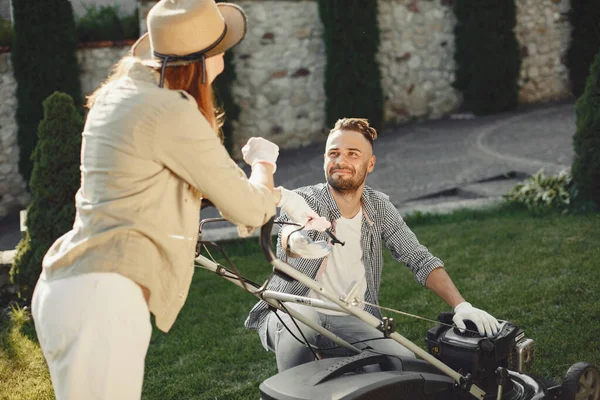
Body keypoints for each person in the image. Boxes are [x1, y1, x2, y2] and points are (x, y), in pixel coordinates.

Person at [30, 1, 326, 399]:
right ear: (203, 60)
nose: (225, 56)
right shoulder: (171, 111)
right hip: (103, 300)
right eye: (220, 47)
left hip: (68, 287)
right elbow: (250, 209)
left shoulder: (122, 96)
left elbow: (159, 182)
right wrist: (262, 161)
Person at [245, 117, 500, 372]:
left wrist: (461, 304)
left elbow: (418, 258)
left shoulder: (379, 207)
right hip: (292, 315)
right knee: (305, 320)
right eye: (333, 153)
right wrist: (297, 241)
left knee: (405, 365)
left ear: (370, 164)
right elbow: (288, 234)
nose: (341, 161)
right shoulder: (303, 199)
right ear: (324, 160)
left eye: (352, 154)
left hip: (351, 318)